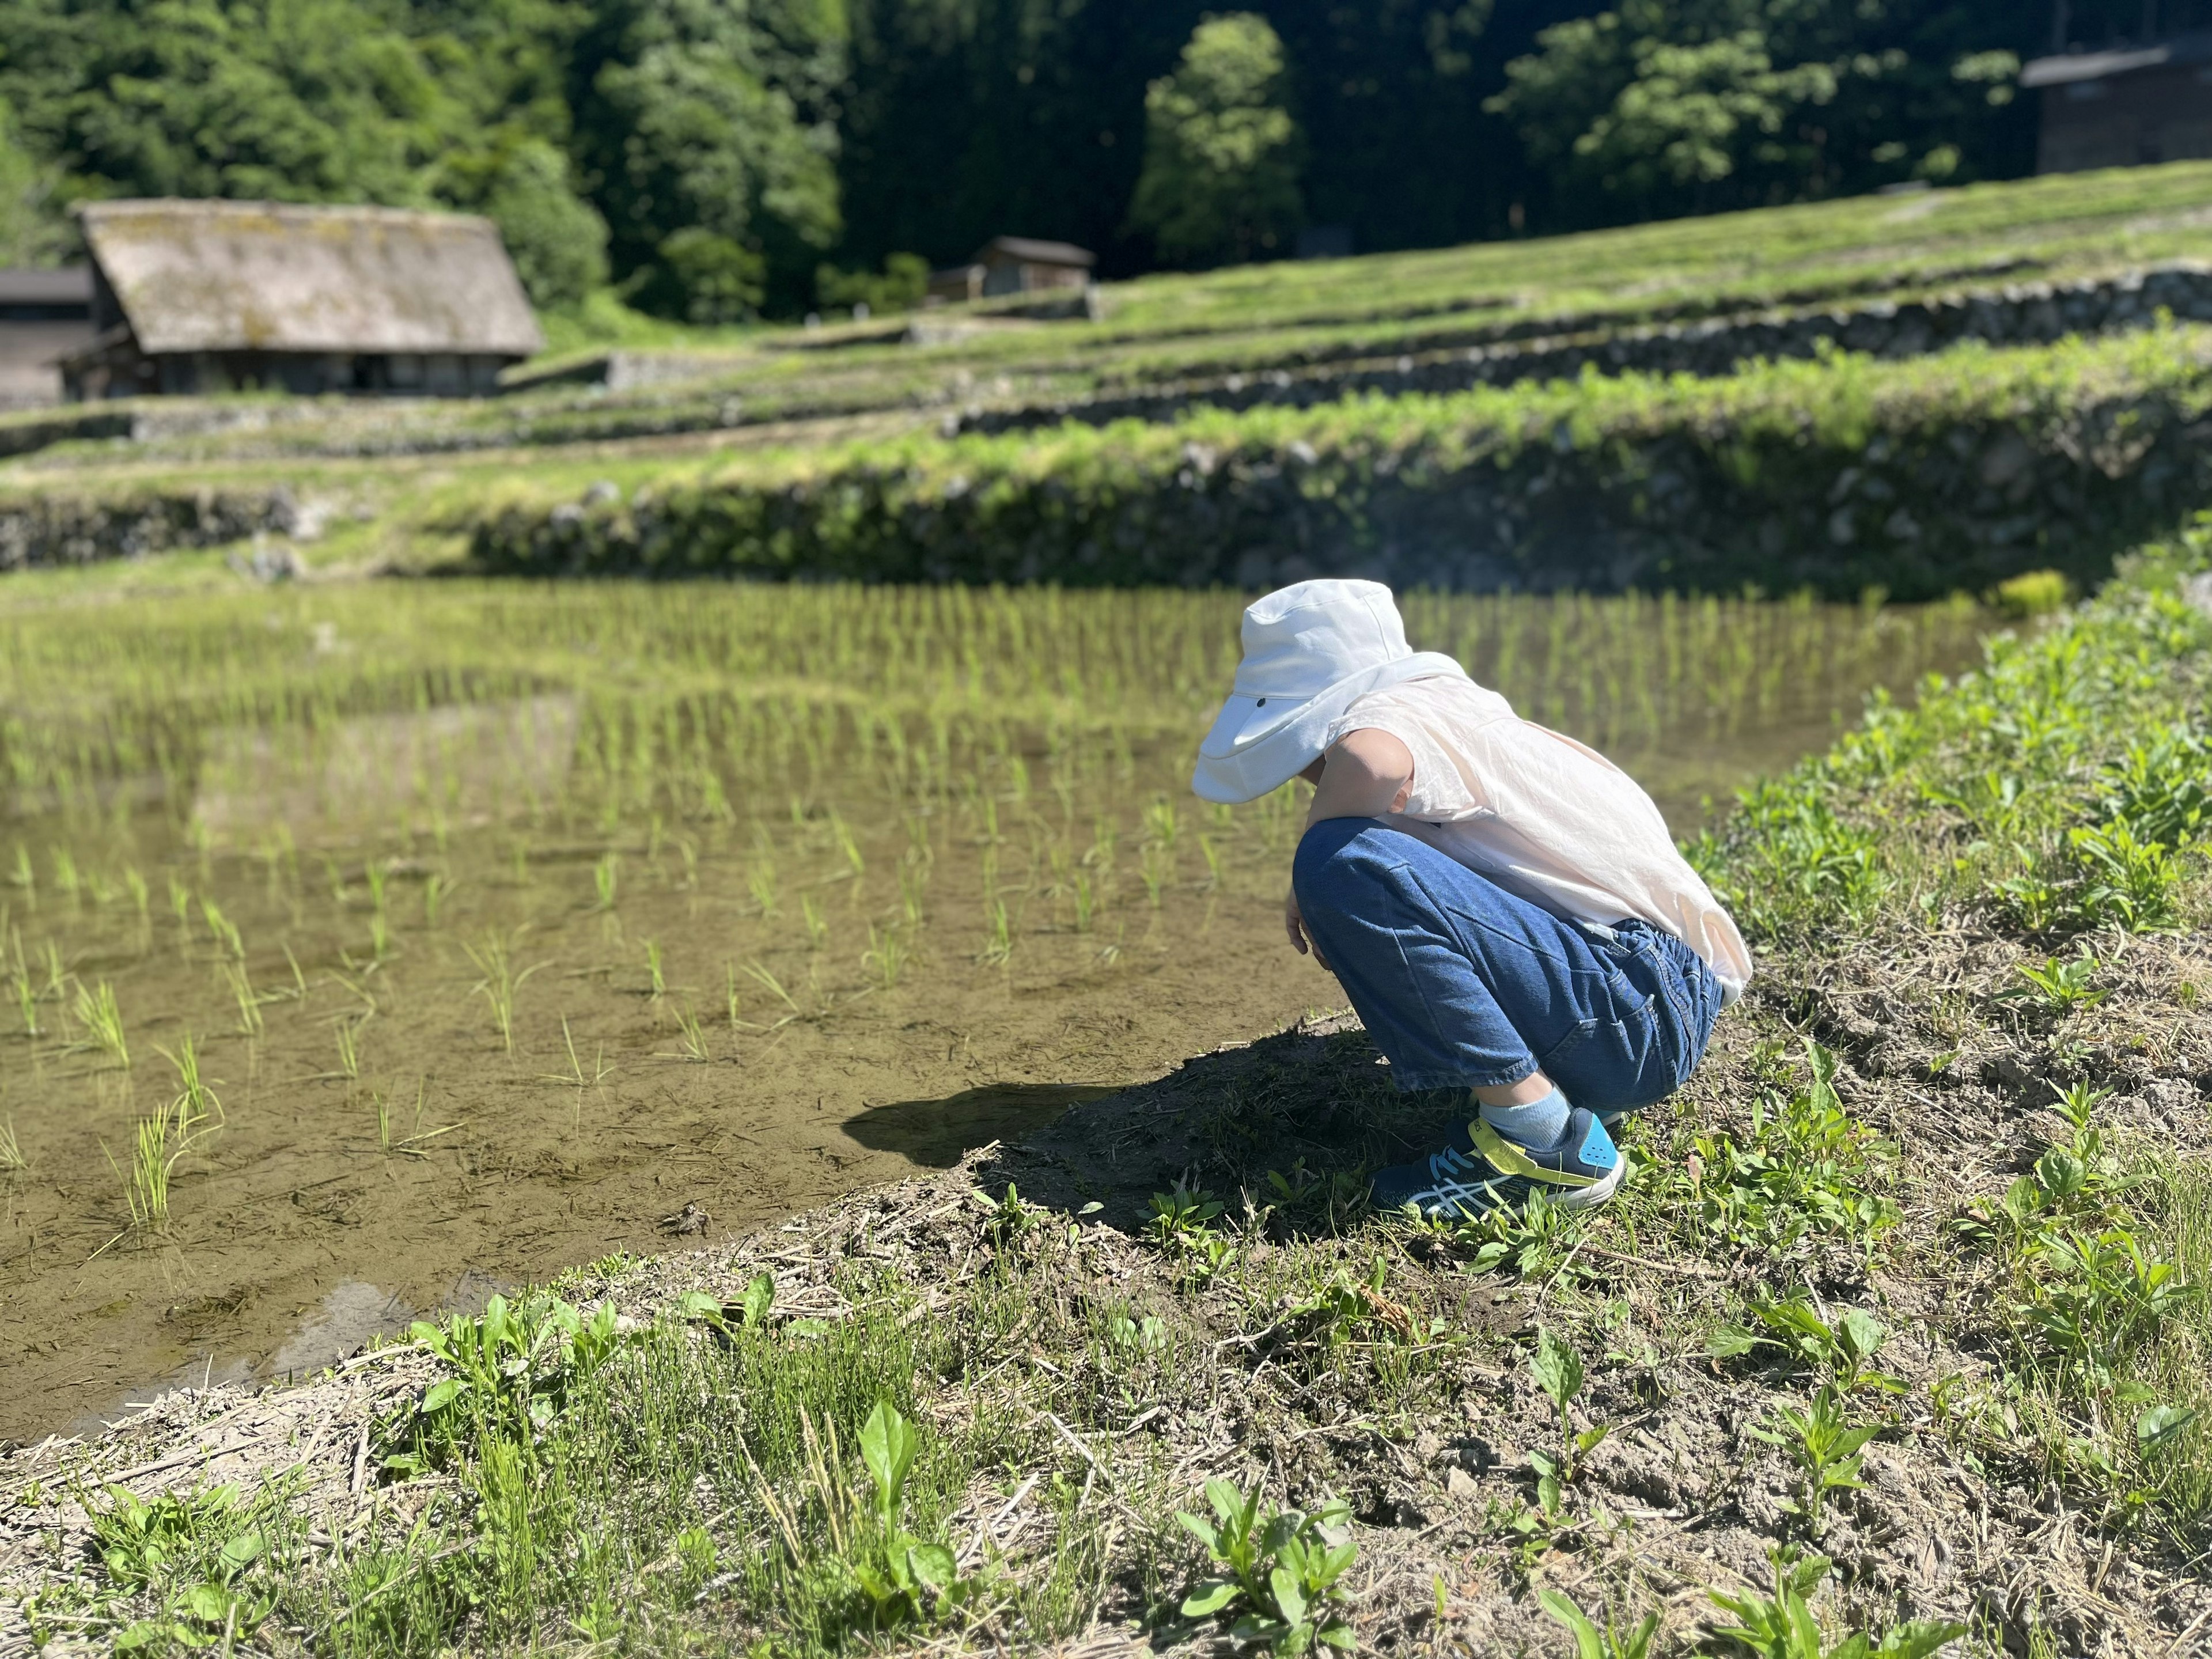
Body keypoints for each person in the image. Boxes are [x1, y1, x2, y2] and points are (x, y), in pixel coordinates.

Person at [1191, 578, 1751, 1220]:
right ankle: (1561, 1092)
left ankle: (1541, 1147)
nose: (1307, 778)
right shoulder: (1460, 710)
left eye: (1301, 755)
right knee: (1349, 859)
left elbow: (1371, 762)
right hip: (1652, 999)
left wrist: (1312, 860)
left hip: (1630, 1007)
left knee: (1335, 862)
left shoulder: (1391, 720)